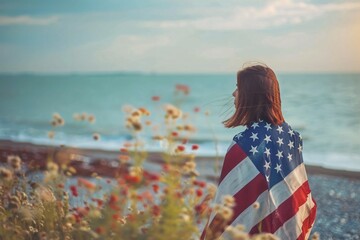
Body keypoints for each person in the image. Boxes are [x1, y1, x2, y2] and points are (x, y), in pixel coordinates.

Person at [201, 64, 317, 240]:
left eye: (239, 88)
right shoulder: (292, 137)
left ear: (250, 94)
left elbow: (227, 215)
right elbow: (299, 199)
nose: (234, 93)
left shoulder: (242, 145)